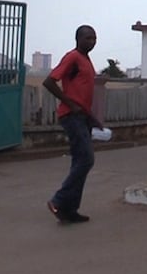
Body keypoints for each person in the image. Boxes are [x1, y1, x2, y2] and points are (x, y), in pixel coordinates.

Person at [44, 25, 104, 223]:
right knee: (86, 159)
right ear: (78, 39)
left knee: (80, 162)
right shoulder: (72, 57)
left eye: (94, 38)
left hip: (82, 117)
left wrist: (92, 118)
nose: (92, 42)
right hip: (70, 115)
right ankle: (59, 200)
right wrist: (70, 104)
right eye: (88, 38)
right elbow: (49, 82)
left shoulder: (87, 61)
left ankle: (69, 210)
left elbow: (82, 93)